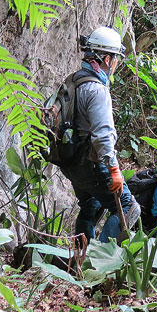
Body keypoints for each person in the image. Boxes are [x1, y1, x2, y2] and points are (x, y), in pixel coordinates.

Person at [57, 26, 140, 245]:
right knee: (129, 208)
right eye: (115, 59)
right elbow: (103, 135)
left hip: (71, 163)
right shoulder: (96, 89)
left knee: (90, 206)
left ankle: (80, 260)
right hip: (92, 163)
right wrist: (114, 169)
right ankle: (100, 261)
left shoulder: (72, 81)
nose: (115, 64)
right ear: (106, 58)